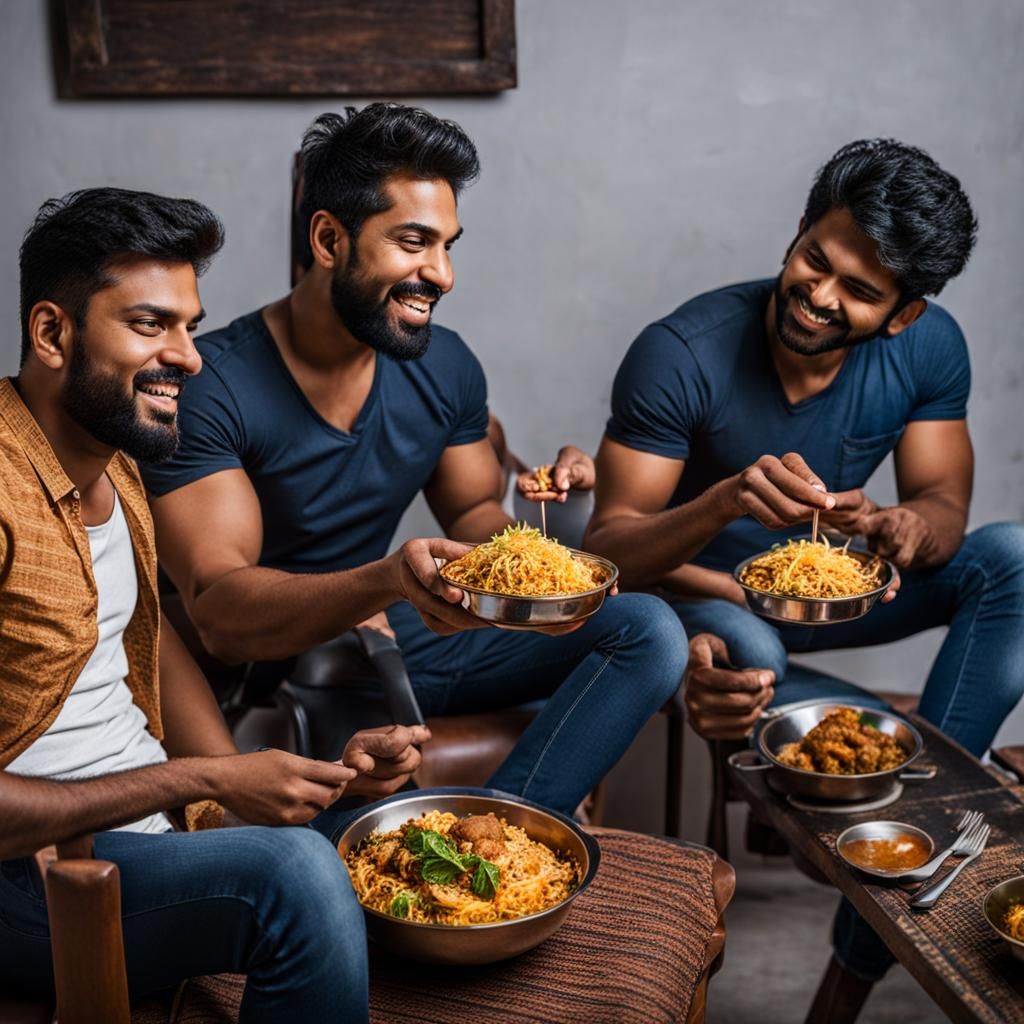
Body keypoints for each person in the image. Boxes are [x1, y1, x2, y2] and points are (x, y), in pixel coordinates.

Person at [142, 103, 688, 821]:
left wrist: (537, 567)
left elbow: (472, 512)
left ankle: (501, 831)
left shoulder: (446, 366)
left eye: (448, 246)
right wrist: (385, 583)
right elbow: (220, 612)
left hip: (393, 632)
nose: (442, 274)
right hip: (274, 664)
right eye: (413, 242)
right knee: (350, 806)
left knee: (649, 631)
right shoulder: (211, 387)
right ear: (329, 238)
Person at [585, 138, 1024, 993]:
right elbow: (606, 548)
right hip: (710, 598)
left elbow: (942, 509)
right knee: (756, 648)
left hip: (837, 593)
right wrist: (725, 505)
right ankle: (898, 821)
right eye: (813, 260)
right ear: (797, 232)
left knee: (1010, 558)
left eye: (858, 292)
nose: (818, 297)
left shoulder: (931, 350)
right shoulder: (680, 351)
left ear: (903, 314)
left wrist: (901, 525)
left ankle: (910, 819)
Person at [0, 187, 430, 1022]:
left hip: (154, 835)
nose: (189, 357)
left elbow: (147, 647)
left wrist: (291, 781)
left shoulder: (117, 464)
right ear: (52, 333)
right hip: (40, 879)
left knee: (390, 840)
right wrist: (207, 775)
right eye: (151, 324)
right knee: (298, 877)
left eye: (190, 325)